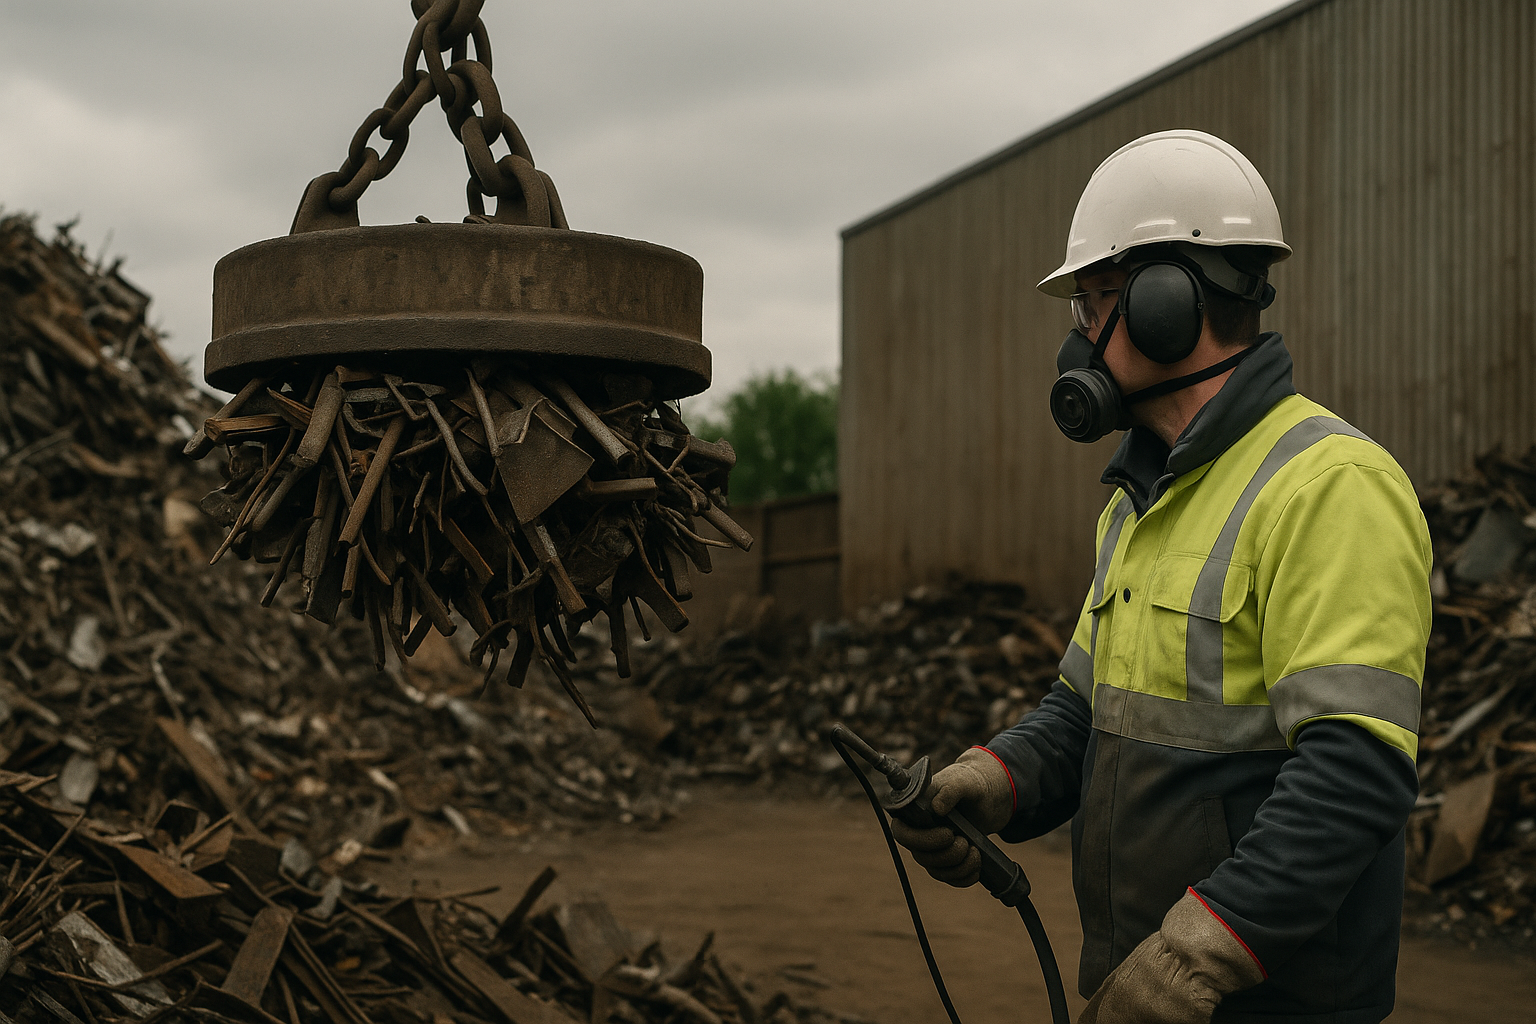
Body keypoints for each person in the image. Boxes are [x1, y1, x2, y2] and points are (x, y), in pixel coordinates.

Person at [890, 129, 1430, 1024]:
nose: (1078, 338)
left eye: (1094, 301)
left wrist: (1196, 957)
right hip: (1139, 987)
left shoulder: (1330, 485)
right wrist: (991, 781)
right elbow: (1084, 715)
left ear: (1167, 300)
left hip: (1263, 1002)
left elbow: (1355, 771)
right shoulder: (1138, 502)